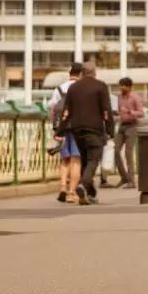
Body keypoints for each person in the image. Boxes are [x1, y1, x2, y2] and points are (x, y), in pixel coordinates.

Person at [61, 62, 114, 205]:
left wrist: (61, 129)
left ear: (82, 73)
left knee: (85, 160)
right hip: (94, 129)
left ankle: (90, 193)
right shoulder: (100, 86)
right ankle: (83, 185)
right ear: (94, 72)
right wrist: (110, 130)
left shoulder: (73, 88)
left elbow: (66, 111)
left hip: (77, 129)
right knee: (93, 160)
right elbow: (106, 111)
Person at [48, 63, 83, 203]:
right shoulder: (79, 88)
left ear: (69, 73)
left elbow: (52, 108)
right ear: (80, 74)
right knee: (76, 159)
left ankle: (62, 187)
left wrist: (56, 127)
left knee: (65, 159)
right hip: (76, 126)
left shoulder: (59, 89)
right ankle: (71, 192)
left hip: (62, 127)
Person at [112, 77, 143, 188]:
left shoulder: (135, 97)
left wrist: (129, 111)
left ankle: (131, 180)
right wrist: (117, 114)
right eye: (120, 85)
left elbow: (141, 113)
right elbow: (120, 110)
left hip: (132, 126)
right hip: (122, 125)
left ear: (129, 87)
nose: (121, 88)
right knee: (115, 150)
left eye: (124, 85)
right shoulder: (119, 97)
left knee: (128, 153)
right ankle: (124, 177)